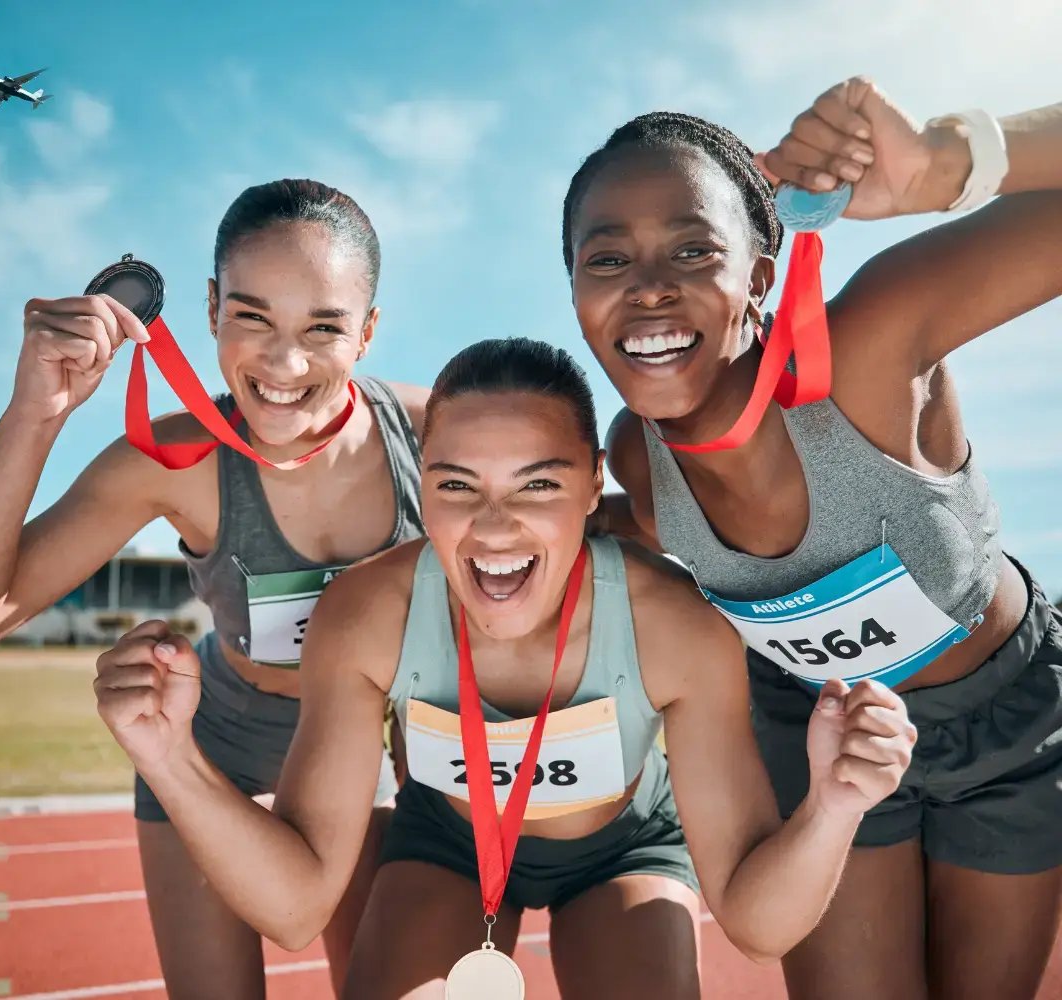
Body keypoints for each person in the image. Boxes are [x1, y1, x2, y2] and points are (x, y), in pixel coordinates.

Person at [93, 337, 916, 999]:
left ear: (595, 484)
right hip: (447, 840)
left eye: (537, 485)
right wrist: (168, 755)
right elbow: (296, 906)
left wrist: (835, 807)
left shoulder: (674, 626)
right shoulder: (367, 613)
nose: (493, 528)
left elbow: (757, 924)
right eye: (458, 485)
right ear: (424, 485)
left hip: (622, 850)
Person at [566, 79, 1062, 999]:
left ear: (759, 276)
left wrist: (949, 163)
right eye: (606, 261)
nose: (648, 289)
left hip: (1008, 728)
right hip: (819, 733)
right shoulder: (635, 454)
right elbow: (633, 535)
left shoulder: (870, 344)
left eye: (692, 249)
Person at [0, 180, 427, 999]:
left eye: (323, 327)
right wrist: (37, 411)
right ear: (212, 307)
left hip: (360, 743)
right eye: (252, 316)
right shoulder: (177, 457)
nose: (285, 364)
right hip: (210, 739)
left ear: (366, 332)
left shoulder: (436, 435)